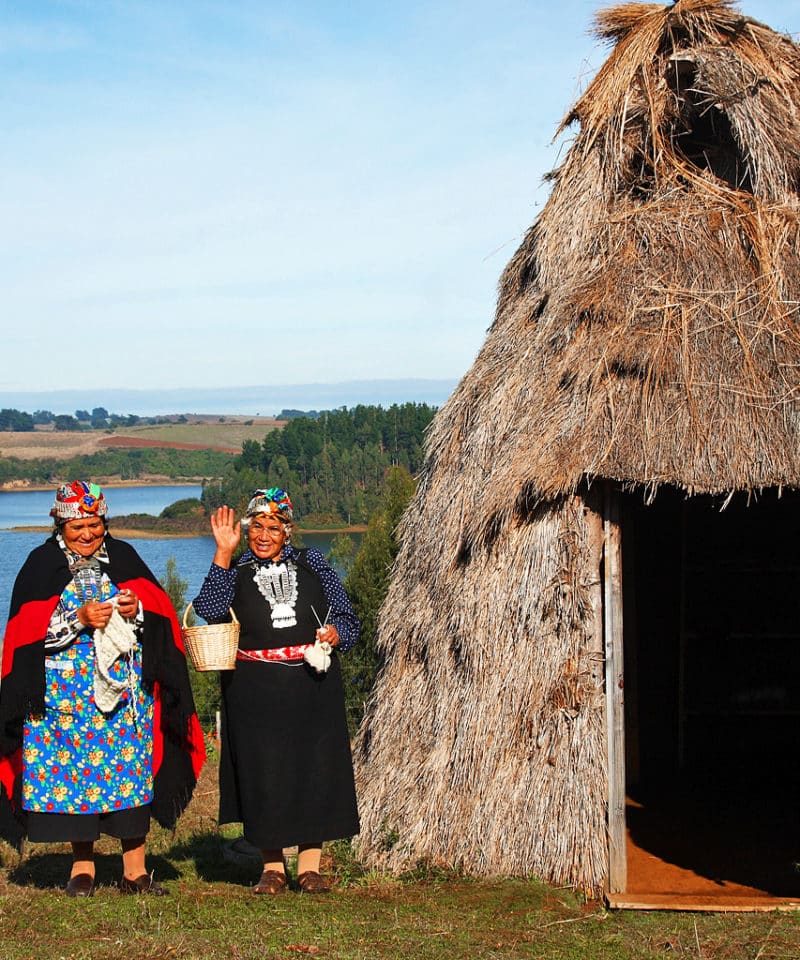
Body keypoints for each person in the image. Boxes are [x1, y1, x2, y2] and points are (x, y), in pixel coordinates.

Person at [0, 481, 205, 897]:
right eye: (78, 527)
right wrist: (78, 619)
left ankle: (135, 872)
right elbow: (26, 637)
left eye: (94, 525)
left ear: (104, 521)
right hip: (64, 702)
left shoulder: (125, 557)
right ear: (59, 524)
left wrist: (139, 610)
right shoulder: (40, 566)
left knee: (130, 778)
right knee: (75, 779)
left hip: (126, 700)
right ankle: (83, 869)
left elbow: (159, 616)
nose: (88, 534)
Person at [192, 487, 360, 895]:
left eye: (274, 527)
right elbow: (209, 610)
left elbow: (348, 617)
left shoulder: (313, 562)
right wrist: (223, 552)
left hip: (312, 687)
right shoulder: (234, 568)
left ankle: (310, 868)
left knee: (313, 770)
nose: (264, 535)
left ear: (288, 530)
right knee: (263, 773)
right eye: (256, 527)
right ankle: (271, 868)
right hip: (254, 691)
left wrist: (336, 632)